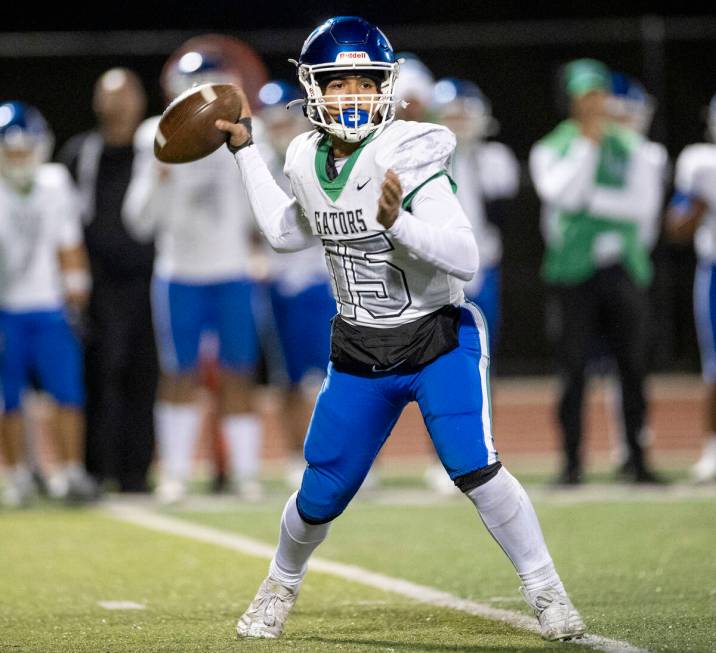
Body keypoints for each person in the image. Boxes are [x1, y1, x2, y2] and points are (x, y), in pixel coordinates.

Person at [217, 16, 586, 642]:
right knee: (320, 494)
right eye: (339, 83)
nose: (353, 95)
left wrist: (399, 222)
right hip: (361, 347)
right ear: (314, 88)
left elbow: (466, 257)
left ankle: (547, 591)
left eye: (365, 81)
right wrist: (247, 152)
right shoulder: (304, 155)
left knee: (475, 466)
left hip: (436, 336)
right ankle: (280, 583)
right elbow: (284, 233)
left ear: (386, 86)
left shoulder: (411, 148)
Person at [122, 34, 270, 503]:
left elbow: (256, 209)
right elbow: (138, 220)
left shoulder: (245, 131)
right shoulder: (154, 135)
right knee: (178, 373)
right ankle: (178, 473)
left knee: (238, 372)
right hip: (179, 272)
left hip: (231, 270)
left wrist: (260, 246)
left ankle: (246, 472)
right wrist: (159, 178)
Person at [529, 59, 666, 485]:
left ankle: (636, 458)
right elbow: (565, 195)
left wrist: (592, 205)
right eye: (585, 95)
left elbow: (642, 205)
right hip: (572, 272)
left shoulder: (634, 146)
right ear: (570, 100)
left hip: (623, 268)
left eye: (599, 94)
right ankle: (571, 462)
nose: (594, 104)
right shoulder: (551, 147)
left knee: (633, 367)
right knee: (572, 370)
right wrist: (588, 147)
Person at [58, 68, 158, 493]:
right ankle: (95, 469)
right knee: (98, 376)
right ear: (97, 102)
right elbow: (63, 224)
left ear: (140, 100)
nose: (118, 105)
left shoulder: (159, 151)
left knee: (143, 375)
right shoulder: (80, 152)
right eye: (109, 96)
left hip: (148, 282)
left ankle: (136, 472)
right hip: (97, 287)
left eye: (126, 94)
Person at [0, 101, 96, 505]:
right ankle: (19, 473)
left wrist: (77, 290)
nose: (20, 158)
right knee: (9, 397)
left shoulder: (55, 182)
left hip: (50, 305)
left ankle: (70, 470)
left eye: (25, 149)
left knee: (67, 392)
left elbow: (69, 242)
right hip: (6, 308)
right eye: (11, 150)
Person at [256, 80, 334, 487]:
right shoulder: (257, 163)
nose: (279, 125)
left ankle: (343, 458)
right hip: (276, 279)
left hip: (324, 277)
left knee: (337, 376)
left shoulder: (323, 154)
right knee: (286, 378)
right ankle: (293, 456)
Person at [665, 93, 716, 483]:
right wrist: (700, 202)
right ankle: (712, 449)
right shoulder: (702, 163)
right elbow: (676, 229)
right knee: (714, 367)